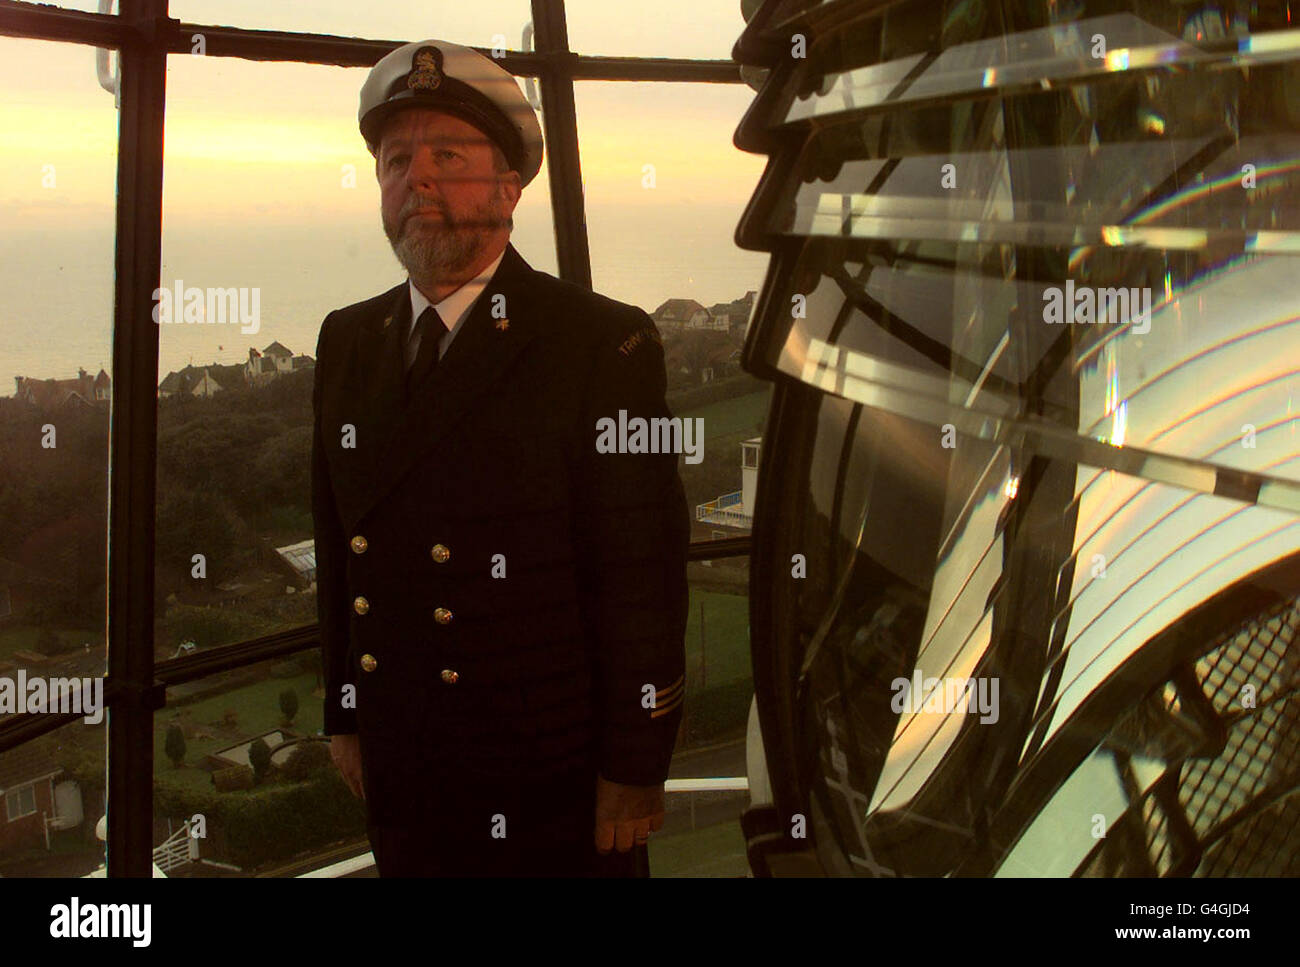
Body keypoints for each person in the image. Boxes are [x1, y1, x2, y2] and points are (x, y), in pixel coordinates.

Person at [311, 39, 689, 877]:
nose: (418, 179)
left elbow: (644, 572)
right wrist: (345, 709)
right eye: (397, 159)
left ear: (510, 187)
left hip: (546, 777)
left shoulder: (600, 341)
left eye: (449, 155)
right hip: (401, 769)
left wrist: (635, 764)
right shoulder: (347, 340)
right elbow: (340, 549)